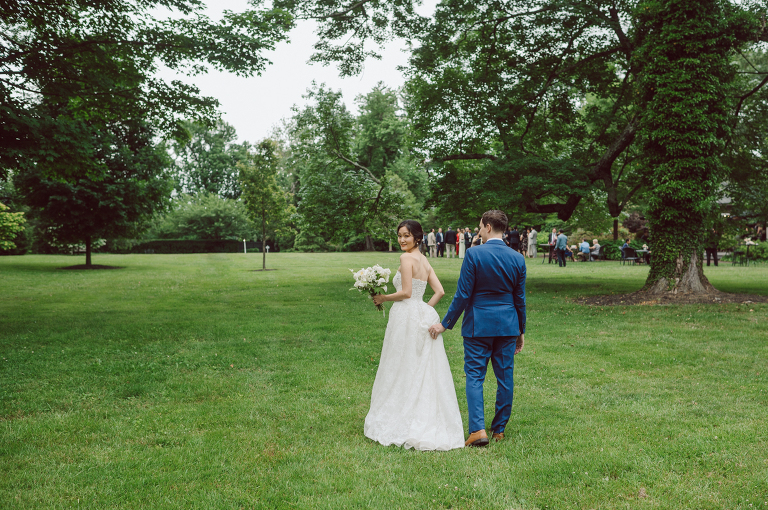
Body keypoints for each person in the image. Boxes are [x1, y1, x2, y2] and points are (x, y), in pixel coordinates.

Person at [428, 210, 526, 447]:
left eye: (481, 227)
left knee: (474, 377)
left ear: (489, 227)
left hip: (478, 325)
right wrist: (520, 330)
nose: (479, 231)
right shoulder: (518, 258)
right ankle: (499, 430)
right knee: (505, 378)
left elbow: (463, 293)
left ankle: (478, 431)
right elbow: (519, 298)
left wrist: (445, 323)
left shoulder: (473, 254)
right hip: (507, 326)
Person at [367, 220, 464, 450]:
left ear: (417, 238)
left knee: (401, 363)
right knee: (416, 364)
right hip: (420, 313)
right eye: (399, 235)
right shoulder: (424, 259)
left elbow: (407, 292)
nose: (402, 240)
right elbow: (439, 291)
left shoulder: (406, 258)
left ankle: (401, 413)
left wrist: (383, 298)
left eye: (406, 236)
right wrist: (425, 310)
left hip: (404, 315)